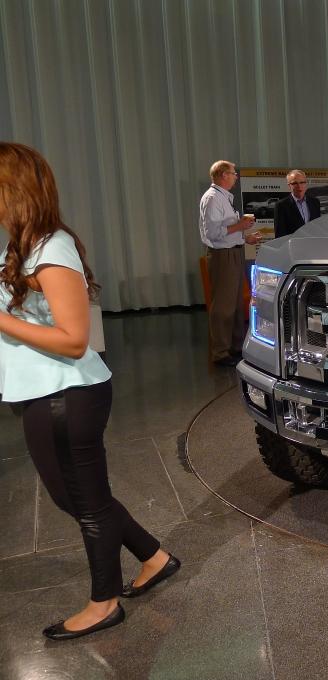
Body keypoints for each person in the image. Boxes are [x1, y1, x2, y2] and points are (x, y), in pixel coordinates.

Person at [0, 143, 180, 641]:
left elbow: (74, 338)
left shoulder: (50, 248)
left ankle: (104, 604)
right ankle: (154, 558)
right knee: (79, 497)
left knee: (85, 502)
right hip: (46, 391)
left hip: (66, 394)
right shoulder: (23, 246)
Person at [199, 160, 259, 367]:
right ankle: (221, 352)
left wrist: (245, 237)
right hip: (222, 256)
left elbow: (226, 230)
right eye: (233, 173)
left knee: (235, 304)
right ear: (223, 175)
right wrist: (240, 225)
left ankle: (235, 346)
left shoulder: (223, 197)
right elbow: (213, 233)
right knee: (224, 305)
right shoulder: (213, 198)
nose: (236, 177)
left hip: (233, 253)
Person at [274, 169, 322, 238]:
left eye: (302, 182)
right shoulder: (281, 205)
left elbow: (318, 228)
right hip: (293, 244)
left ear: (306, 184)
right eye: (295, 183)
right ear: (289, 186)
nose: (299, 186)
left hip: (312, 243)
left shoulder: (315, 202)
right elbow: (280, 235)